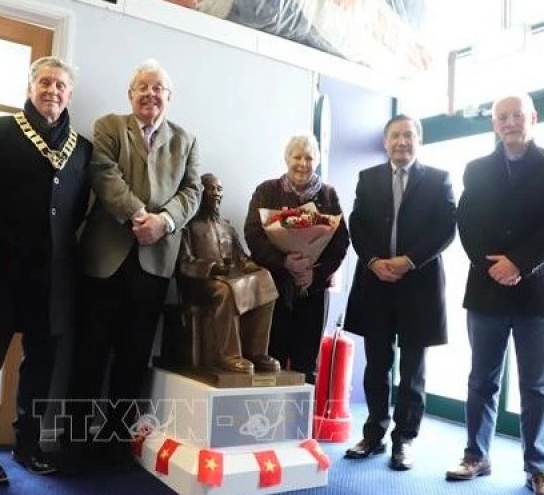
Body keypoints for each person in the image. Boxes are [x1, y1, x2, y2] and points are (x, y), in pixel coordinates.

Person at [61, 58, 202, 469]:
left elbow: (192, 191)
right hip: (105, 258)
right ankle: (74, 443)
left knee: (134, 354)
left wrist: (165, 222)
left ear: (169, 98)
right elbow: (104, 174)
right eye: (142, 86)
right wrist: (141, 216)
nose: (150, 94)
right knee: (90, 351)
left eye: (158, 88)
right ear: (130, 94)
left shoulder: (186, 140)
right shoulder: (108, 126)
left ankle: (116, 442)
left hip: (155, 263)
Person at [0, 56, 92, 485]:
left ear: (70, 94)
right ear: (30, 86)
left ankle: (28, 444)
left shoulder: (83, 148)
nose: (52, 90)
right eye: (45, 82)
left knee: (41, 367)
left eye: (60, 85)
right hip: (2, 270)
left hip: (55, 277)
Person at [445, 93, 544, 495]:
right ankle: (476, 455)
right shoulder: (476, 169)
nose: (509, 122)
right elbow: (465, 222)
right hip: (487, 289)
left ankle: (538, 467)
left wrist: (519, 263)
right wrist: (494, 267)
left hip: (538, 292)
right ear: (494, 124)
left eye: (517, 115)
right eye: (502, 116)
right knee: (480, 380)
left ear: (533, 118)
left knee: (537, 385)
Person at [342, 115, 456, 470]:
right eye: (395, 136)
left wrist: (409, 260)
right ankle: (373, 434)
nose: (401, 142)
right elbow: (356, 224)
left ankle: (403, 441)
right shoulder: (368, 178)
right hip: (376, 283)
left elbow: (446, 227)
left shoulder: (439, 179)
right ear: (385, 141)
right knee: (376, 365)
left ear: (418, 140)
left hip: (418, 287)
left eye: (408, 135)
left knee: (412, 372)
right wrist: (374, 261)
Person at [244, 132, 349, 385]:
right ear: (286, 158)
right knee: (271, 358)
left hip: (313, 291)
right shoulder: (267, 191)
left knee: (306, 365)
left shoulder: (328, 195)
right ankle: (269, 422)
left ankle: (300, 423)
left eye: (309, 158)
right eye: (297, 156)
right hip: (276, 288)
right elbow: (253, 233)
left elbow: (341, 240)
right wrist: (284, 263)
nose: (303, 163)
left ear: (318, 161)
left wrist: (316, 272)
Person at [177, 173, 280, 374]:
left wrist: (251, 266)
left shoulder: (227, 228)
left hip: (229, 279)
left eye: (219, 189)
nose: (216, 194)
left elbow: (241, 258)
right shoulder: (188, 226)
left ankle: (256, 351)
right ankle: (228, 355)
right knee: (224, 291)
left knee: (266, 279)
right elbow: (184, 263)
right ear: (200, 192)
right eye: (211, 189)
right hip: (200, 284)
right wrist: (212, 267)